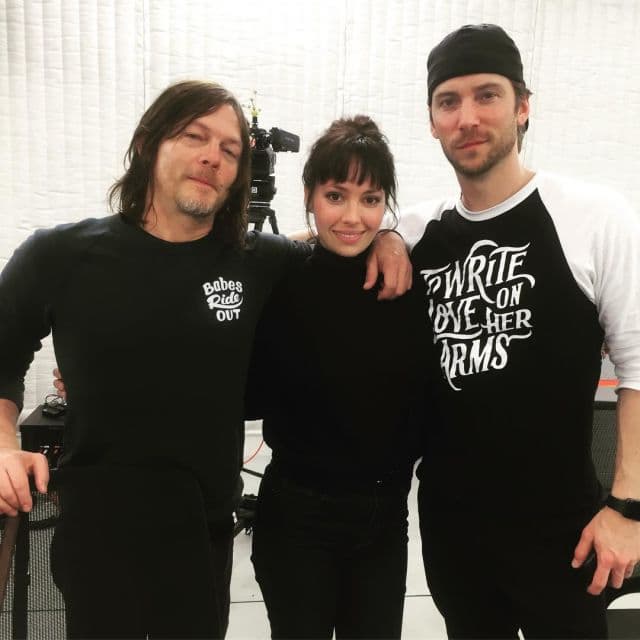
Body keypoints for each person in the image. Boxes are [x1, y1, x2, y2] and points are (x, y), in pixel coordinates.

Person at [0, 80, 407, 639]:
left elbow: (334, 240)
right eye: (194, 136)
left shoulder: (257, 260)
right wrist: (4, 444)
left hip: (202, 538)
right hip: (97, 532)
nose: (213, 156)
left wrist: (391, 237)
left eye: (230, 149)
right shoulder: (59, 254)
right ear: (148, 144)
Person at [398, 23, 640, 639]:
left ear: (523, 106)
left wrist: (627, 508)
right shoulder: (414, 232)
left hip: (564, 533)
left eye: (487, 95)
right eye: (448, 101)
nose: (467, 117)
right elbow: (332, 230)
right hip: (452, 532)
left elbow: (638, 366)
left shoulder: (594, 216)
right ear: (432, 121)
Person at [245, 115, 432, 640]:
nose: (353, 217)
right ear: (309, 195)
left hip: (385, 517)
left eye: (370, 200)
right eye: (335, 196)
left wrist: (392, 237)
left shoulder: (406, 281)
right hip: (297, 515)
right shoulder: (279, 278)